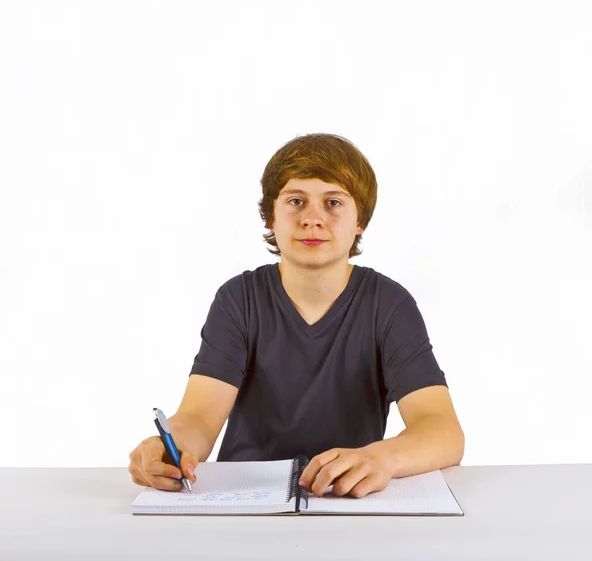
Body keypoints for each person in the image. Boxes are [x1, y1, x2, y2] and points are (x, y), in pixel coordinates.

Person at [128, 133, 465, 499]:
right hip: (243, 500)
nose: (312, 219)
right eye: (295, 201)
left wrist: (383, 457)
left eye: (333, 202)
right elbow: (200, 418)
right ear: (271, 217)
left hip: (346, 499)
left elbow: (442, 430)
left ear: (359, 223)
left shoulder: (389, 305)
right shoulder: (239, 299)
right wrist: (171, 446)